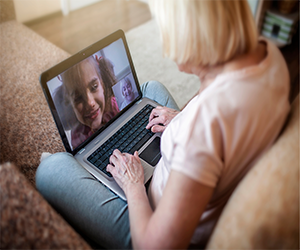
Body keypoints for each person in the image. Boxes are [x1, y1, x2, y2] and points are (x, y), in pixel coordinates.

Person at [36, 0, 290, 249]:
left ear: (193, 30)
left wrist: (133, 184)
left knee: (50, 169)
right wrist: (181, 119)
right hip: (185, 172)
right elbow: (210, 115)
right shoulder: (270, 55)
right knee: (150, 89)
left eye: (167, 28)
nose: (166, 47)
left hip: (152, 217)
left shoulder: (202, 128)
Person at [61, 56, 119, 149]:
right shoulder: (77, 137)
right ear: (71, 103)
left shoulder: (116, 106)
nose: (90, 103)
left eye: (94, 87)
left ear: (102, 85)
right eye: (78, 97)